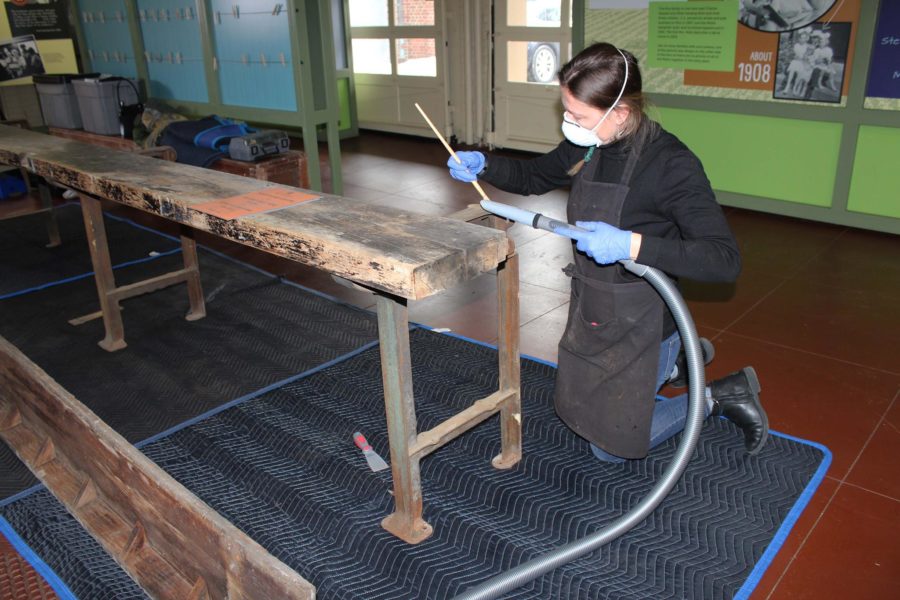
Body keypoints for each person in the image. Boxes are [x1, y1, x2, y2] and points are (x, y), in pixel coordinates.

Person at [446, 42, 768, 462]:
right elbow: (536, 175)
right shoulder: (590, 143)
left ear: (620, 112)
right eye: (566, 111)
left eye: (578, 116)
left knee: (610, 450)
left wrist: (630, 244)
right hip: (595, 307)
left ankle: (716, 394)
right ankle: (677, 367)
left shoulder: (671, 164)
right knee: (574, 410)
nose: (569, 124)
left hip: (646, 322)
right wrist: (483, 165)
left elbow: (723, 259)